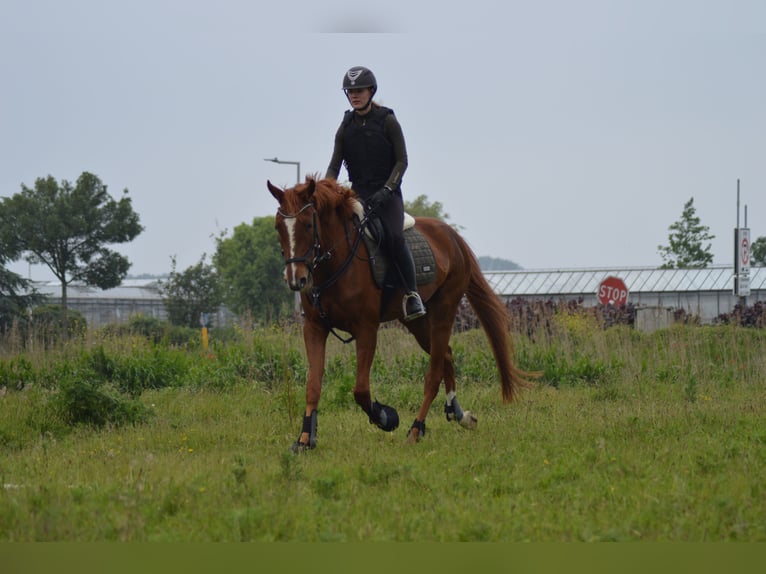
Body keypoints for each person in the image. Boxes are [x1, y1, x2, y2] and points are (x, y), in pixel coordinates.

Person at [325, 65, 426, 322]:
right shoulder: (345, 127)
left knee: (391, 236)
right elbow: (335, 164)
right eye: (350, 91)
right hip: (357, 195)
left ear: (371, 91)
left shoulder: (388, 121)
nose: (354, 95)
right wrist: (325, 191)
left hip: (388, 194)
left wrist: (388, 189)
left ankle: (412, 295)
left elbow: (402, 161)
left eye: (359, 90)